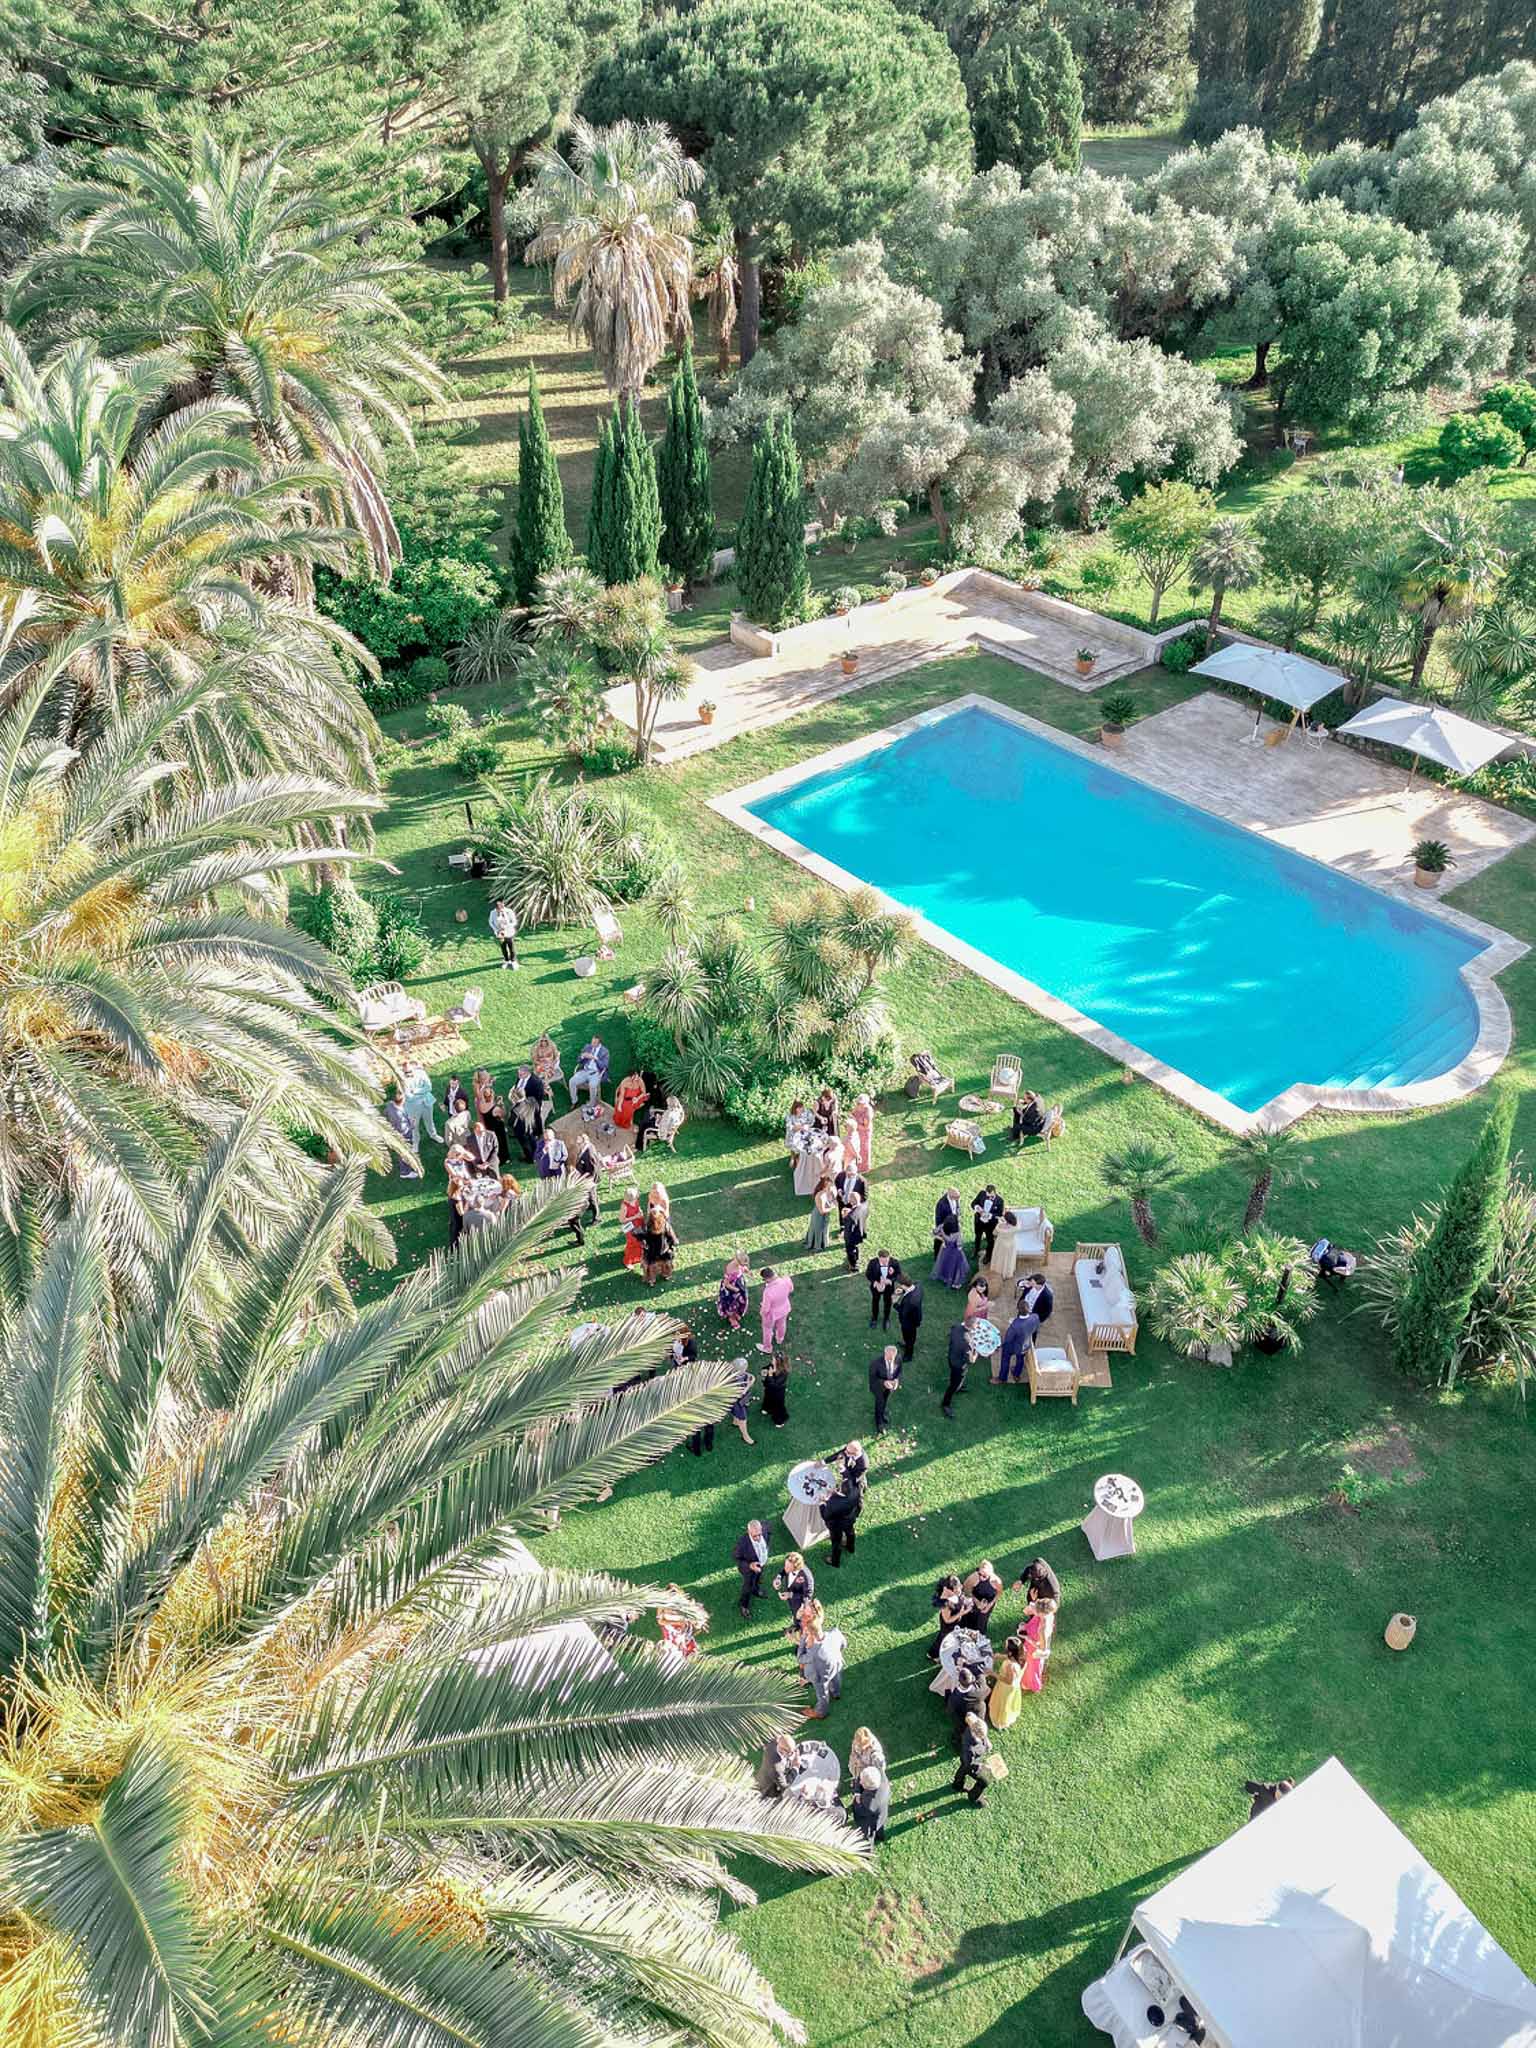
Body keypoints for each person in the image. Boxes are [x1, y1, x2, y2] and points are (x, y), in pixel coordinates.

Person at [803, 1618, 847, 1720]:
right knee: (836, 1679)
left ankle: (821, 1713)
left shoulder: (813, 1651)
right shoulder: (835, 1633)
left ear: (810, 1633)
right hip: (836, 1665)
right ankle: (836, 1693)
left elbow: (803, 1660)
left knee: (822, 1694)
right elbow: (844, 1644)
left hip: (821, 1675)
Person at [822, 1466, 864, 1569]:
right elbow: (848, 1479)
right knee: (850, 1532)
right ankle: (850, 1548)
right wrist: (843, 1470)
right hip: (850, 1518)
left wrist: (822, 1502)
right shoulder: (855, 1490)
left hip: (837, 1525)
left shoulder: (834, 1503)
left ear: (841, 1491)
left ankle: (835, 1561)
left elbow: (825, 1516)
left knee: (836, 1542)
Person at [953, 1711, 994, 1807]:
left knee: (962, 1768)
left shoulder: (974, 1724)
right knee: (984, 1781)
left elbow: (982, 1735)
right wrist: (984, 1766)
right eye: (983, 1736)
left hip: (966, 1760)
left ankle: (957, 1784)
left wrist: (986, 1742)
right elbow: (970, 1764)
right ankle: (974, 1796)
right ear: (976, 1735)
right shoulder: (970, 1749)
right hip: (970, 1763)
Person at [733, 1521, 771, 1617]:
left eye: (759, 1534)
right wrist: (750, 1565)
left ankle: (756, 1591)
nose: (758, 1538)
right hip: (749, 1570)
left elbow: (767, 1538)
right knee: (747, 1587)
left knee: (758, 1579)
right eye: (754, 1536)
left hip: (760, 1565)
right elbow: (736, 1557)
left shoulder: (765, 1531)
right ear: (748, 1532)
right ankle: (744, 1605)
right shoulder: (742, 1543)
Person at [933, 1193, 970, 1291]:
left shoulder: (942, 1227)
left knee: (945, 1264)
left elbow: (933, 1233)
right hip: (955, 1252)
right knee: (956, 1267)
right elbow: (959, 1245)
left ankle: (945, 1278)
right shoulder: (957, 1233)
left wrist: (943, 1240)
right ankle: (955, 1283)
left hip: (945, 1250)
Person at [383, 1088, 421, 1179]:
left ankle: (405, 1166)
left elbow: (385, 1114)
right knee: (404, 1153)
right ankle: (405, 1172)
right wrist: (412, 1124)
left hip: (393, 1131)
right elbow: (404, 1130)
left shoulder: (389, 1105)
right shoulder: (399, 1116)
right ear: (402, 1100)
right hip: (403, 1136)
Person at [401, 1060, 440, 1147]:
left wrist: (415, 1091)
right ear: (403, 1071)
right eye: (405, 1072)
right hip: (412, 1107)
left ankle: (433, 1135)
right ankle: (415, 1142)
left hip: (427, 1102)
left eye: (410, 1071)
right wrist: (423, 1092)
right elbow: (409, 1097)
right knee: (414, 1125)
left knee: (429, 1120)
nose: (408, 1073)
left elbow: (429, 1087)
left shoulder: (421, 1073)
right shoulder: (401, 1079)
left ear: (414, 1068)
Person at [1019, 1598, 1056, 1691]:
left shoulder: (1042, 1629)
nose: (1033, 1611)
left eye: (1036, 1611)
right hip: (1031, 1641)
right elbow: (1026, 1611)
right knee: (1026, 1664)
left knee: (1032, 1668)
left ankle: (1032, 1685)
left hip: (1034, 1649)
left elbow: (1042, 1648)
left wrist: (1027, 1638)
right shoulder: (1046, 1612)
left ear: (1042, 1614)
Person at [775, 1552, 816, 1631]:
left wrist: (791, 1595)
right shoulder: (789, 1567)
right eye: (785, 1565)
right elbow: (784, 1570)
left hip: (800, 1603)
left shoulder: (807, 1577)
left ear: (796, 1567)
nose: (785, 1568)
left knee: (800, 1618)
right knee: (794, 1613)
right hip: (791, 1599)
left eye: (788, 1567)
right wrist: (779, 1577)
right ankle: (796, 1626)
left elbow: (807, 1596)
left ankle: (802, 1633)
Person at [997, 1309, 1039, 1386]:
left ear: (1018, 1311)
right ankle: (1016, 1375)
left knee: (1005, 1358)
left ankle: (1002, 1378)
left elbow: (1008, 1339)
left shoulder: (1015, 1325)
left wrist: (1001, 1344)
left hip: (1014, 1347)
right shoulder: (1035, 1317)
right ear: (1028, 1310)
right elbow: (1035, 1328)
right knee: (1020, 1359)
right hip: (1026, 1345)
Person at [989, 1638, 1024, 1729]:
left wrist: (993, 1674)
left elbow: (1008, 1681)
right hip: (1011, 1685)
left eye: (1006, 1646)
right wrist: (998, 1656)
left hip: (1006, 1688)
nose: (1005, 1646)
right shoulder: (1016, 1657)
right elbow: (1007, 1657)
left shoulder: (1011, 1666)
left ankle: (999, 1719)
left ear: (1011, 1652)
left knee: (1003, 1703)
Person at [928, 1574, 965, 1660]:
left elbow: (960, 1599)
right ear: (948, 1590)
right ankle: (933, 1654)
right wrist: (961, 1613)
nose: (958, 1592)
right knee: (943, 1638)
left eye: (959, 1588)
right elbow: (947, 1620)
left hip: (955, 1620)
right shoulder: (946, 1602)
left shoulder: (956, 1592)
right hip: (947, 1624)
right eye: (955, 1591)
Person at [943, 1321, 975, 1419]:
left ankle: (959, 1386)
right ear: (972, 1327)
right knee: (953, 1385)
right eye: (976, 1325)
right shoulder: (967, 1342)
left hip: (951, 1358)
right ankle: (946, 1404)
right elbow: (970, 1361)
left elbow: (951, 1334)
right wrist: (975, 1355)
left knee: (956, 1379)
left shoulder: (956, 1327)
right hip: (959, 1366)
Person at [850, 1765, 890, 1843]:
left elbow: (859, 1811)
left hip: (870, 1823)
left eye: (863, 1783)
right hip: (882, 1814)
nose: (860, 1782)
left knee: (869, 1836)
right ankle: (880, 1836)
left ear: (870, 1787)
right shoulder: (882, 1777)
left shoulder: (869, 1802)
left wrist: (857, 1799)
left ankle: (869, 1849)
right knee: (880, 1827)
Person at [869, 1344, 902, 1435]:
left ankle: (883, 1414)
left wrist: (896, 1380)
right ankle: (879, 1423)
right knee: (879, 1403)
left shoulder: (898, 1359)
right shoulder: (875, 1363)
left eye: (893, 1357)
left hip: (890, 1387)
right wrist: (883, 1382)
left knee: (885, 1401)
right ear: (885, 1354)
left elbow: (899, 1371)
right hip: (878, 1388)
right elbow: (872, 1379)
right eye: (889, 1357)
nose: (891, 1359)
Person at [759, 1267, 794, 1354]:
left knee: (767, 1329)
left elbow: (766, 1309)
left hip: (772, 1314)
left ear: (767, 1279)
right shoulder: (786, 1280)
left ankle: (767, 1348)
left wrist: (762, 1312)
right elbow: (791, 1289)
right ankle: (780, 1338)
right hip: (784, 1308)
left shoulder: (768, 1292)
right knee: (782, 1323)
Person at [641, 1205, 677, 1286]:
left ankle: (651, 1280)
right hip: (664, 1250)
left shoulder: (647, 1227)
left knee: (651, 1266)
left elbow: (643, 1238)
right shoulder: (665, 1225)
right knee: (666, 1264)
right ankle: (666, 1275)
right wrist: (673, 1243)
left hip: (651, 1252)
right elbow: (672, 1237)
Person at [963, 1562, 1004, 1635]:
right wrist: (976, 1602)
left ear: (990, 1574)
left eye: (984, 1576)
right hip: (974, 1601)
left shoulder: (996, 1581)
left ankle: (979, 1637)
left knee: (981, 1622)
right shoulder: (974, 1577)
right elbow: (966, 1589)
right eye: (979, 1574)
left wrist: (989, 1605)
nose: (981, 1577)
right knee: (969, 1618)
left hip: (988, 1604)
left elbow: (999, 1593)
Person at [866, 1250, 902, 1329]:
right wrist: (875, 1282)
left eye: (886, 1260)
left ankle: (886, 1319)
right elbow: (868, 1274)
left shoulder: (894, 1262)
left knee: (888, 1302)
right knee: (875, 1301)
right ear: (879, 1258)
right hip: (876, 1287)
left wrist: (890, 1280)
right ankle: (874, 1318)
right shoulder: (872, 1262)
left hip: (888, 1287)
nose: (885, 1263)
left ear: (889, 1257)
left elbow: (898, 1274)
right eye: (882, 1261)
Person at [757, 1733, 800, 1798]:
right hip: (769, 1789)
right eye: (790, 1752)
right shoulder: (777, 1768)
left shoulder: (775, 1742)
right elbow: (785, 1785)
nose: (793, 1754)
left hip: (765, 1774)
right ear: (783, 1750)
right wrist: (795, 1767)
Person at [971, 1184, 1006, 1264]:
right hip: (979, 1222)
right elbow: (973, 1203)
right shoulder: (981, 1194)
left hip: (990, 1225)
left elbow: (1000, 1215)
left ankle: (988, 1255)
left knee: (990, 1241)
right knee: (977, 1237)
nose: (989, 1198)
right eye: (988, 1196)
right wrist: (977, 1208)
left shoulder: (1000, 1201)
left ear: (995, 1192)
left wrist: (990, 1215)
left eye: (991, 1196)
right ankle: (976, 1250)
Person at [569, 1036, 609, 1105]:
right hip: (585, 1070)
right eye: (592, 1041)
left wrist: (595, 1058)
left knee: (592, 1086)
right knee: (571, 1081)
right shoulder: (587, 1047)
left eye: (594, 1042)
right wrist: (582, 1056)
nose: (592, 1044)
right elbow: (578, 1060)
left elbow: (604, 1066)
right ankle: (574, 1101)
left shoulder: (605, 1051)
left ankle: (592, 1103)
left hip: (596, 1073)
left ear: (599, 1044)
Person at [725, 1359, 755, 1444]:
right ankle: (745, 1436)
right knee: (743, 1418)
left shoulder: (733, 1373)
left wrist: (749, 1375)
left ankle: (735, 1421)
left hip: (735, 1400)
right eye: (744, 1369)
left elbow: (746, 1375)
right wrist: (749, 1384)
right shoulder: (732, 1380)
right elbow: (740, 1394)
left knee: (737, 1414)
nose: (746, 1370)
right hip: (737, 1401)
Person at [803, 1174, 836, 1253]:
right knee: (818, 1230)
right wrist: (832, 1207)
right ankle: (816, 1245)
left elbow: (832, 1199)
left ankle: (824, 1242)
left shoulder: (828, 1192)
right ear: (823, 1186)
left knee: (825, 1228)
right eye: (828, 1186)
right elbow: (822, 1211)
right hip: (819, 1215)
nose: (830, 1188)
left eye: (830, 1186)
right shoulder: (820, 1196)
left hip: (825, 1214)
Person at [717, 1252, 750, 1330]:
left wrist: (746, 1270)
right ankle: (732, 1318)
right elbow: (726, 1284)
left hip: (738, 1285)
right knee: (731, 1304)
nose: (744, 1266)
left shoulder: (738, 1265)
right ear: (738, 1261)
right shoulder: (730, 1269)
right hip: (731, 1290)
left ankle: (736, 1313)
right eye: (743, 1264)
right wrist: (736, 1290)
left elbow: (742, 1268)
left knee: (740, 1302)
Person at [895, 1279, 924, 1362]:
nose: (900, 1287)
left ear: (904, 1285)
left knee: (909, 1338)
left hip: (909, 1322)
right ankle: (906, 1345)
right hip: (915, 1317)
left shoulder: (910, 1301)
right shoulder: (918, 1286)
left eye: (901, 1285)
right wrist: (902, 1291)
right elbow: (915, 1283)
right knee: (909, 1337)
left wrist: (895, 1303)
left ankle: (908, 1355)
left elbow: (903, 1312)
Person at [762, 1350, 791, 1427]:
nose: (771, 1361)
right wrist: (765, 1370)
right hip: (769, 1390)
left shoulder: (783, 1374)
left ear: (778, 1364)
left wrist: (770, 1375)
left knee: (778, 1407)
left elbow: (775, 1385)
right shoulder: (772, 1366)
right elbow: (767, 1368)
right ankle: (767, 1408)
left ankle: (779, 1421)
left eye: (773, 1360)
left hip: (778, 1393)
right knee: (767, 1399)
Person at [841, 1193, 869, 1273]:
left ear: (852, 1201)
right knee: (856, 1247)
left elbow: (848, 1228)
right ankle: (856, 1258)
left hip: (852, 1236)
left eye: (850, 1199)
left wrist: (844, 1217)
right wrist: (851, 1211)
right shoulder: (864, 1206)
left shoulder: (850, 1217)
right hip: (860, 1231)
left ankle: (853, 1266)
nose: (849, 1200)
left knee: (850, 1250)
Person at [619, 1186, 645, 1270]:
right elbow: (622, 1220)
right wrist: (635, 1216)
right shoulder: (625, 1206)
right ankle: (627, 1261)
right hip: (631, 1227)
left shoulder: (635, 1200)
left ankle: (637, 1256)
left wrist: (640, 1211)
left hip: (639, 1223)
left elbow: (637, 1207)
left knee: (640, 1242)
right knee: (633, 1243)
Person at [489, 897, 519, 968]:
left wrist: (508, 926)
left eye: (500, 907)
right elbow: (491, 922)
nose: (499, 909)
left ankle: (513, 961)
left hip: (509, 932)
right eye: (497, 908)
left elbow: (514, 922)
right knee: (503, 948)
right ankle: (506, 960)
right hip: (500, 933)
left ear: (503, 904)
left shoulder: (509, 911)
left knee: (511, 947)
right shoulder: (493, 912)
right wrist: (496, 930)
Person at [848, 1093, 874, 1175]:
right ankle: (855, 1162)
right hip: (856, 1130)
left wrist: (854, 1123)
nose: (859, 1104)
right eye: (858, 1103)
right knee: (855, 1146)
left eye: (861, 1103)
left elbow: (865, 1127)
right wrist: (850, 1116)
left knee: (864, 1149)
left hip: (864, 1132)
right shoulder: (857, 1106)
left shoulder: (868, 1112)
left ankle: (863, 1167)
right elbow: (852, 1113)